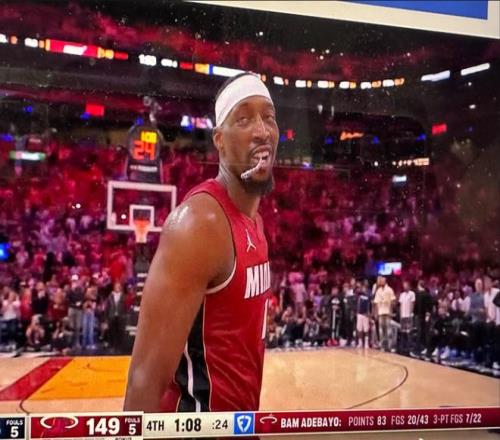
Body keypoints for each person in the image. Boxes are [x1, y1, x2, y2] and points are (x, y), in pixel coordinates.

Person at [124, 72, 278, 412]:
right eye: (244, 119)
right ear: (219, 140)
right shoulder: (199, 224)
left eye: (269, 117)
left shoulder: (255, 223)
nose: (262, 130)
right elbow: (144, 380)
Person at [373, 276, 396, 351]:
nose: (381, 282)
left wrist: (391, 310)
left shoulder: (389, 290)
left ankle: (390, 346)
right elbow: (376, 303)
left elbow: (393, 300)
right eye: (380, 281)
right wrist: (376, 313)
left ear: (385, 281)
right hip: (380, 312)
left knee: (389, 330)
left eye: (382, 281)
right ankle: (383, 346)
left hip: (387, 312)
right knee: (381, 330)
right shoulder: (378, 291)